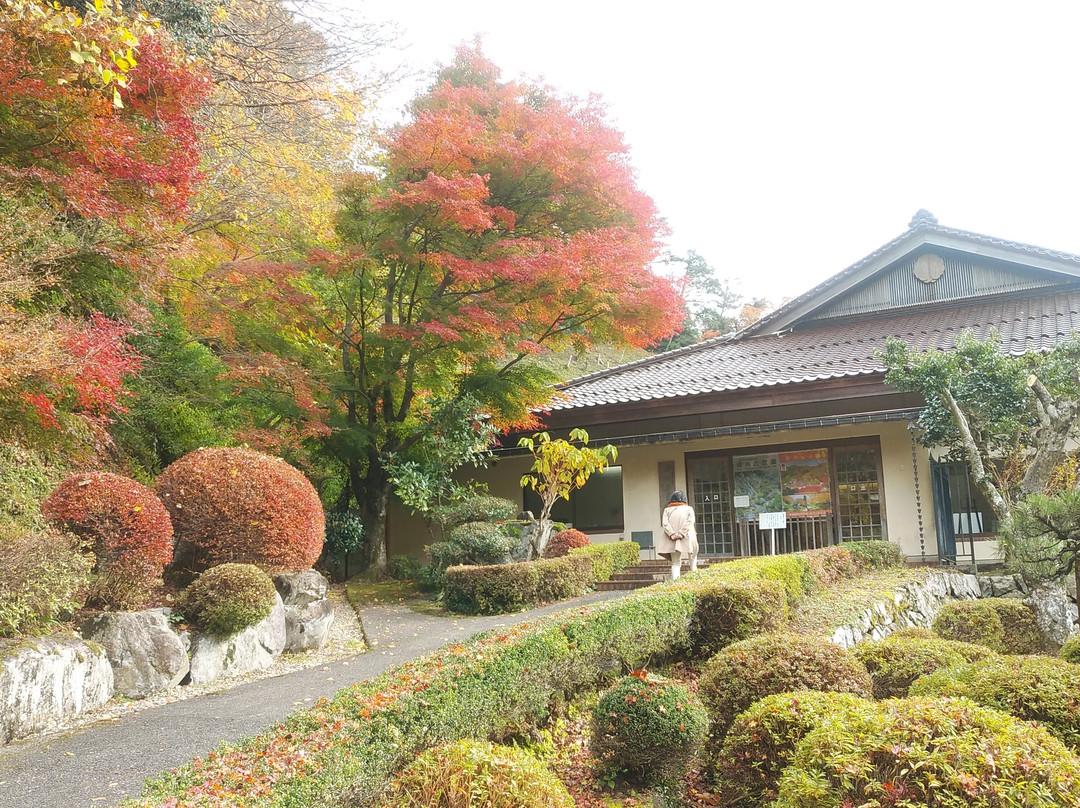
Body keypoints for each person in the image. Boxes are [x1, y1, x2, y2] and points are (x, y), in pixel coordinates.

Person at [660, 490, 698, 580]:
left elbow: (665, 523)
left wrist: (672, 534)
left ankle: (676, 582)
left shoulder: (667, 510)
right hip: (688, 536)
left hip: (672, 538)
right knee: (692, 558)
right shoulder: (689, 509)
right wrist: (681, 533)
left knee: (675, 563)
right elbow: (690, 522)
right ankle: (695, 579)